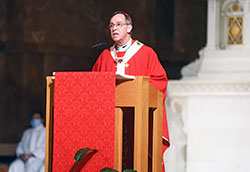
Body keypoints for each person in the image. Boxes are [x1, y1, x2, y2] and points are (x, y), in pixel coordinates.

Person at [92, 11, 170, 171]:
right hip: (111, 121)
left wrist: (138, 89)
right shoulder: (105, 56)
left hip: (139, 121)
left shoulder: (146, 53)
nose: (114, 29)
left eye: (119, 25)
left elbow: (160, 82)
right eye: (111, 26)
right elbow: (94, 85)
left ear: (129, 28)